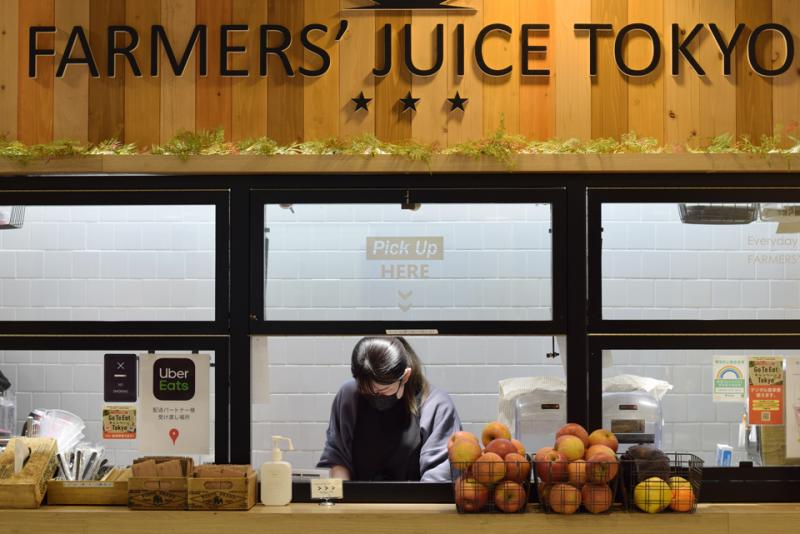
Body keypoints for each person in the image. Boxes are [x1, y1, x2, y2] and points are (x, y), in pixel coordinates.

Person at [317, 336, 461, 482]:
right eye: (366, 390)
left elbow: (438, 478)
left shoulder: (436, 405)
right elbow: (337, 458)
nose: (375, 396)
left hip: (416, 502)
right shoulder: (349, 395)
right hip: (358, 502)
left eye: (382, 390)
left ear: (405, 376)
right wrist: (341, 497)